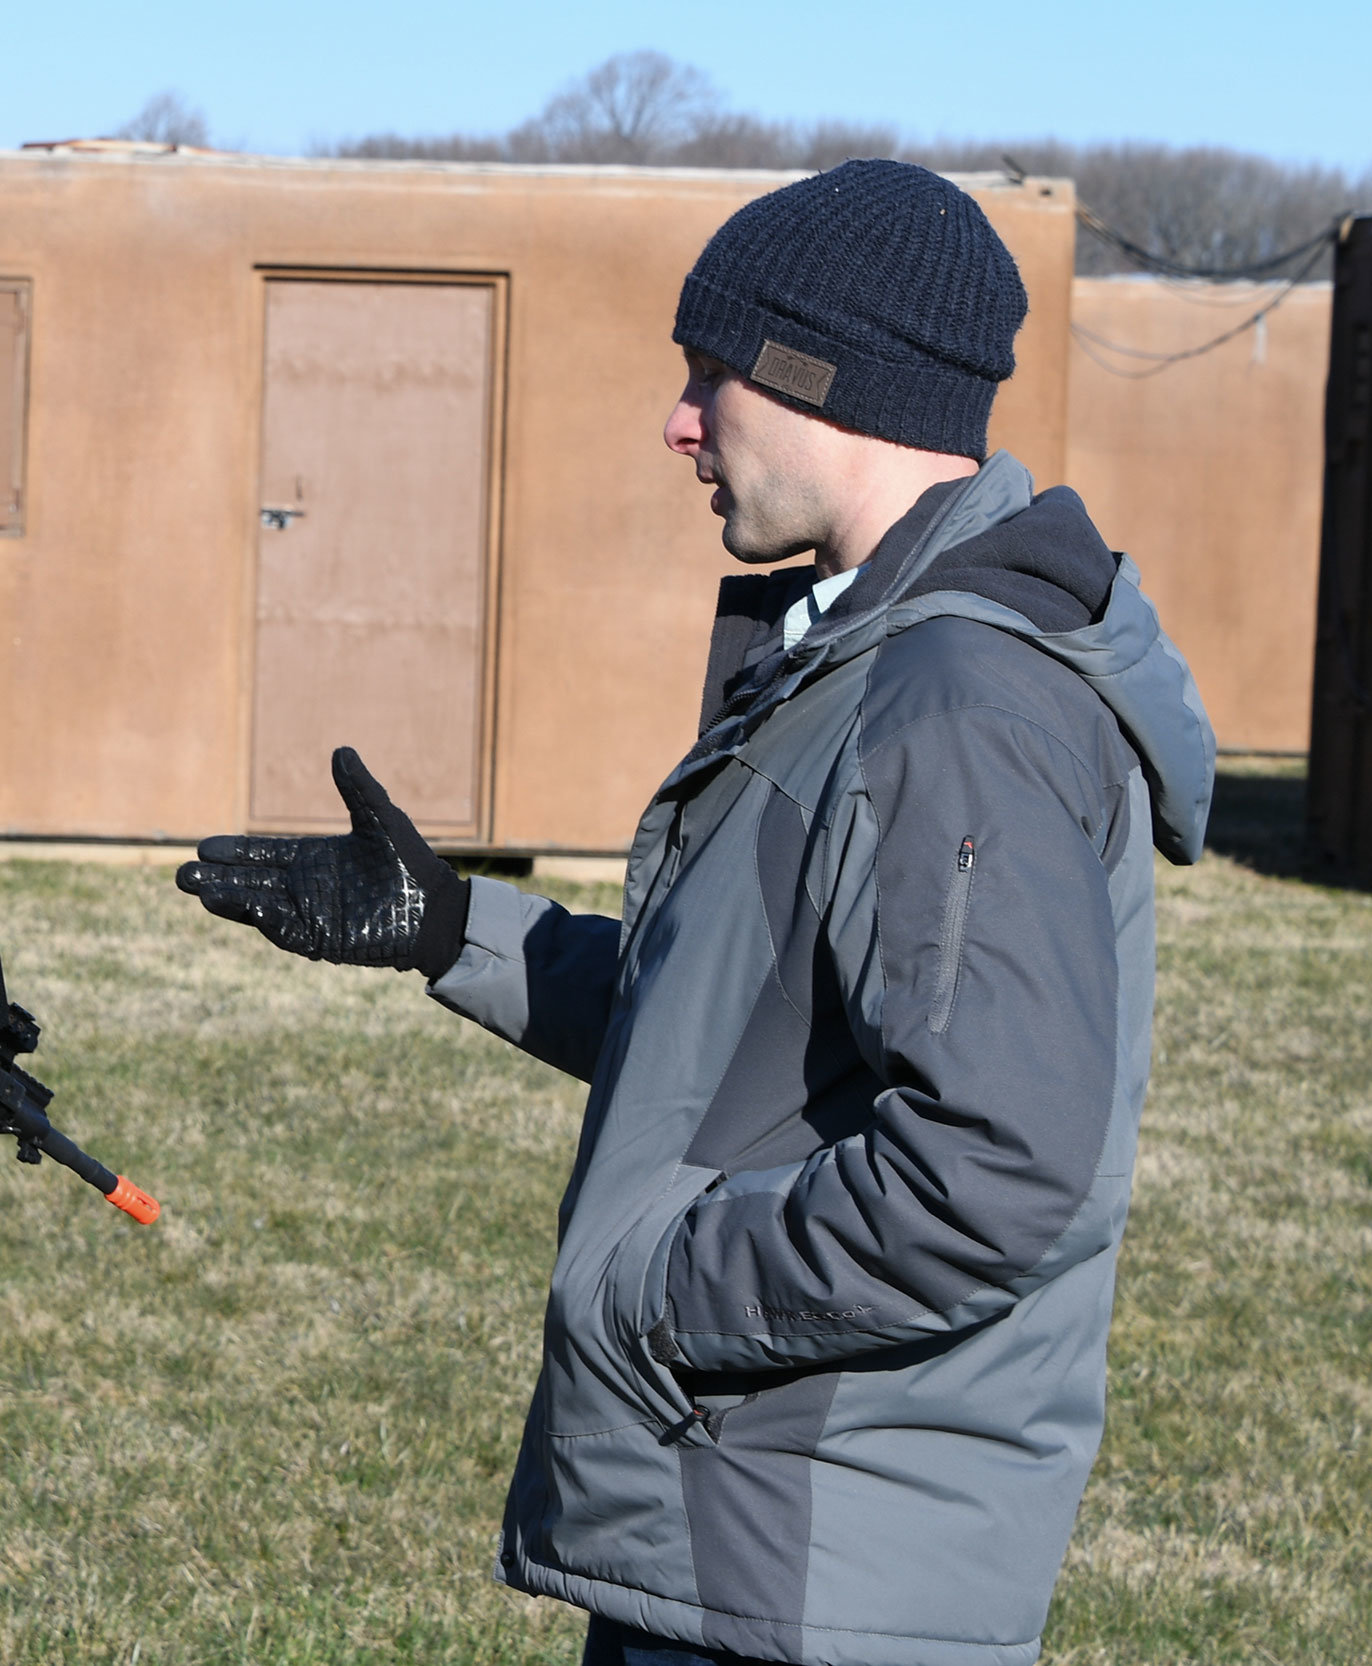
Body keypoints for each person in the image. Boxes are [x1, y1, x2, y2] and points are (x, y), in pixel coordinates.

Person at [177, 159, 1214, 1666]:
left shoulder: (955, 705)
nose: (679, 420)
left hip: (811, 1571)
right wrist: (446, 927)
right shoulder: (861, 661)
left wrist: (661, 1290)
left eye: (707, 372)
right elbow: (742, 1043)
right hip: (748, 1540)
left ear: (818, 383)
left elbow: (997, 1168)